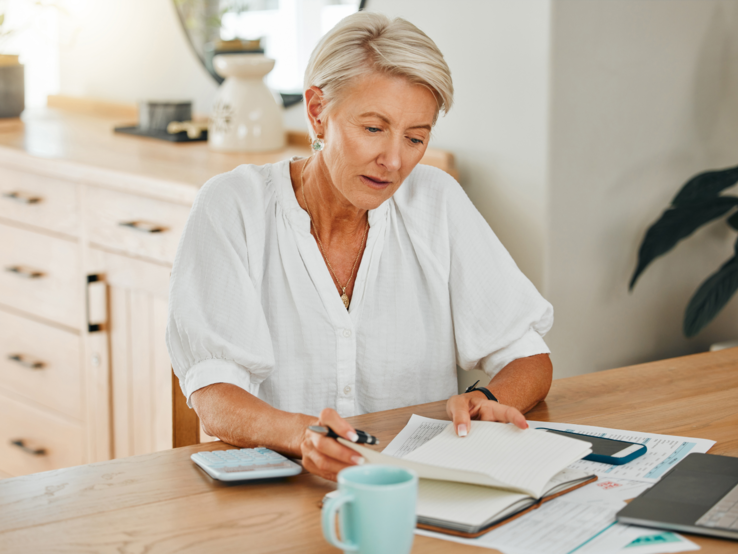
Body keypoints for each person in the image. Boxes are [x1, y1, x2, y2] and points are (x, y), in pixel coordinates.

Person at [167, 12, 554, 482]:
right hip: (277, 495)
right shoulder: (232, 206)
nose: (393, 161)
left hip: (412, 491)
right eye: (373, 128)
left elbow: (527, 355)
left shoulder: (437, 200)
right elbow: (214, 395)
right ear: (317, 112)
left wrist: (490, 402)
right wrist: (302, 436)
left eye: (416, 137)